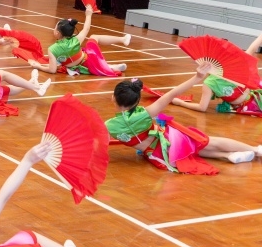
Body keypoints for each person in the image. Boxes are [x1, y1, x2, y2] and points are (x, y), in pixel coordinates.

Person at [105, 65, 262, 174]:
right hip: (168, 141)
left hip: (158, 154)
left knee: (194, 149)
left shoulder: (109, 126)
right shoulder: (145, 113)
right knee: (205, 141)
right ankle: (255, 149)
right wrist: (197, 77)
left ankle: (229, 156)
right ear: (137, 100)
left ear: (113, 98)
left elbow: (101, 143)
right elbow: (172, 94)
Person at [171, 31, 262, 116]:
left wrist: (180, 103)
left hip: (254, 100)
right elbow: (252, 48)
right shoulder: (231, 67)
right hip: (254, 101)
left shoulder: (210, 82)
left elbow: (202, 107)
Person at [28, 5, 131, 76]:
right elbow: (86, 28)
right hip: (86, 61)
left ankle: (112, 67)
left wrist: (38, 66)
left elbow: (52, 69)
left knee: (95, 62)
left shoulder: (52, 49)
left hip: (80, 65)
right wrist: (88, 15)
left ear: (58, 33)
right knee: (94, 37)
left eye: (55, 28)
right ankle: (122, 40)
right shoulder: (76, 39)